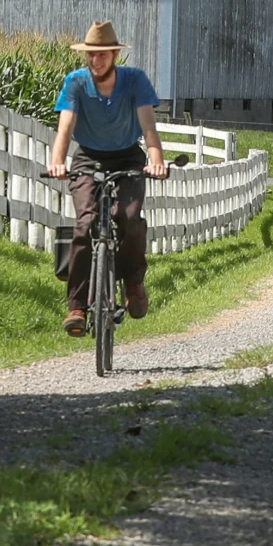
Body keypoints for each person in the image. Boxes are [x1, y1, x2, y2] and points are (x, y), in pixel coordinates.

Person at [46, 20, 169, 338]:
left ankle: (133, 282)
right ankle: (76, 306)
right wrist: (58, 162)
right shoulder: (75, 82)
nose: (96, 60)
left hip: (128, 156)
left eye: (102, 54)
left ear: (115, 54)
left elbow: (149, 128)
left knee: (127, 217)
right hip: (88, 156)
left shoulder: (135, 81)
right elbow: (65, 127)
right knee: (85, 224)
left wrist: (156, 161)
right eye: (91, 54)